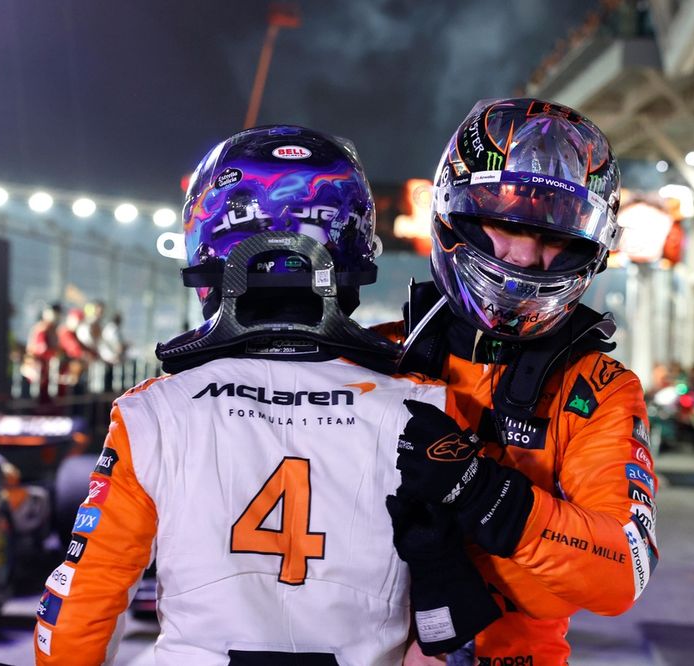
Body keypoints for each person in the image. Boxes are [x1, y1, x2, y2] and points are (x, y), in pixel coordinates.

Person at [34, 125, 499, 665]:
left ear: (206, 243)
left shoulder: (152, 413)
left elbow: (77, 615)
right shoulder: (424, 407)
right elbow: (448, 624)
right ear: (354, 247)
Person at [378, 98, 659, 665]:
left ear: (594, 249)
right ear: (451, 216)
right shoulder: (375, 358)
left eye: (557, 237)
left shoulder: (599, 388)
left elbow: (621, 573)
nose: (528, 258)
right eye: (508, 223)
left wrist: (483, 491)